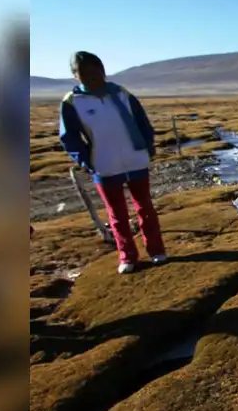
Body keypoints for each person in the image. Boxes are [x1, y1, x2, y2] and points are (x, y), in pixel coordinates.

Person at [58, 51, 167, 274]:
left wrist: (148, 147)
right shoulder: (72, 102)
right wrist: (87, 161)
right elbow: (69, 137)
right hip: (105, 165)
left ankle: (156, 251)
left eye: (95, 70)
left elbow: (143, 123)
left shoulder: (122, 94)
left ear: (103, 70)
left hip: (135, 160)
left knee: (145, 207)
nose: (92, 75)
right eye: (84, 72)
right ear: (75, 76)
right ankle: (128, 256)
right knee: (117, 214)